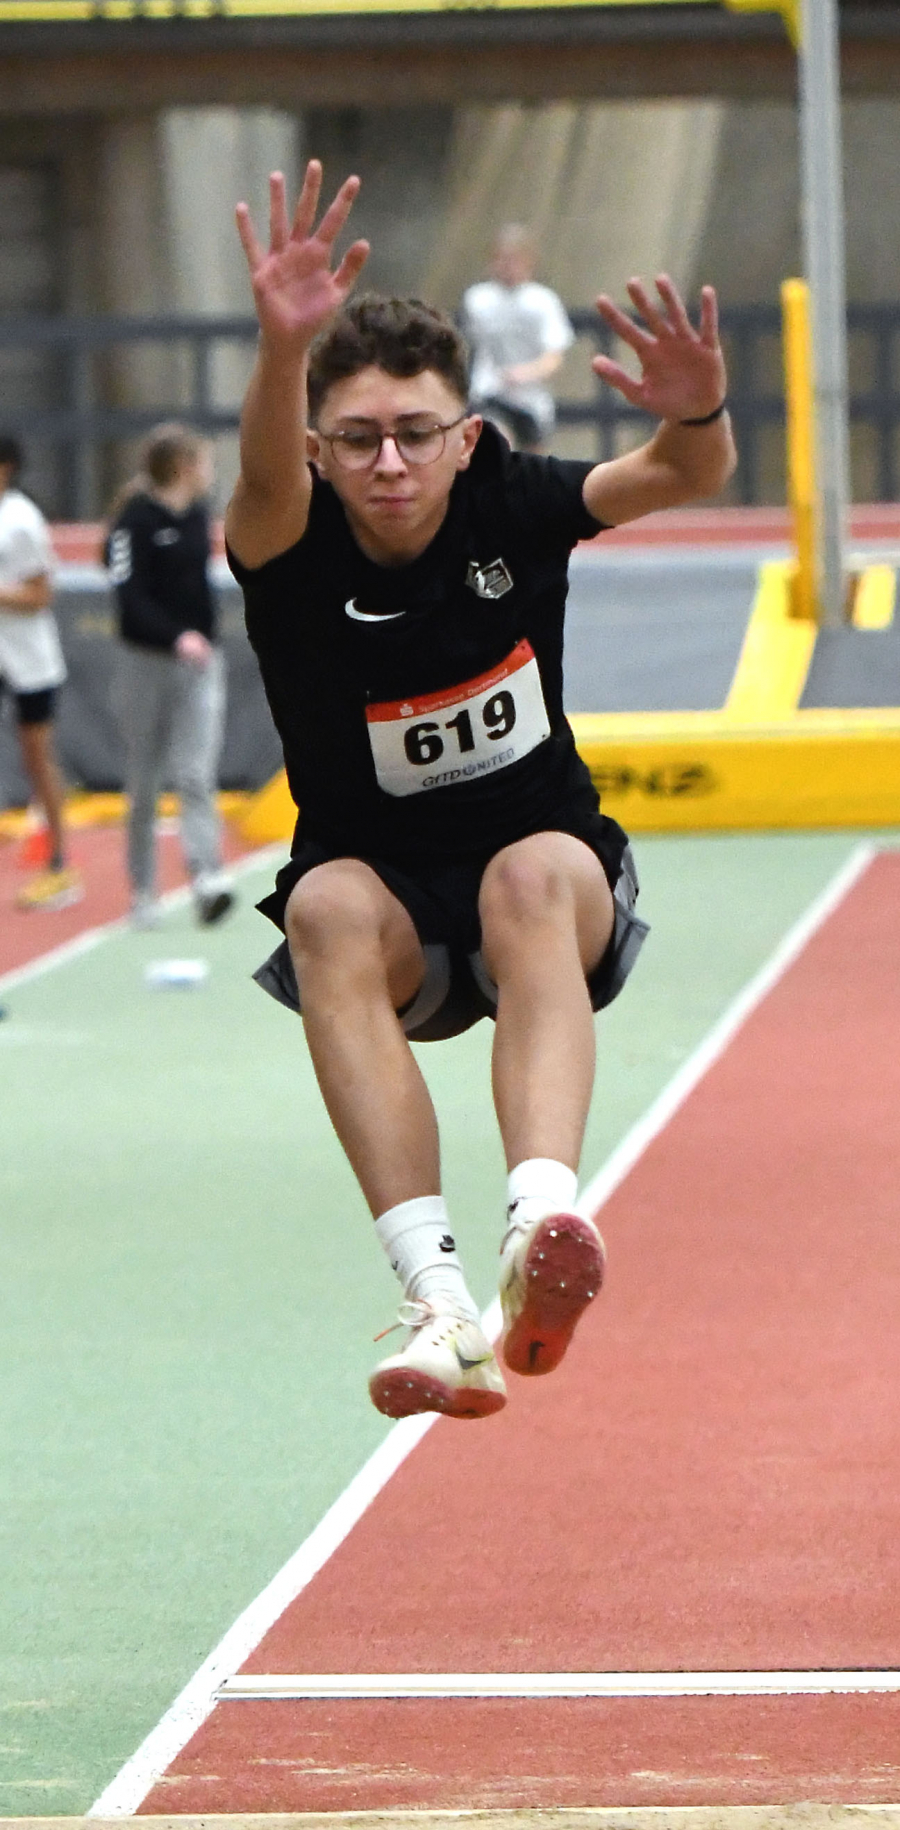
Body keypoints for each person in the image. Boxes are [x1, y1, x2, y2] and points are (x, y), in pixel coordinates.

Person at [226, 163, 735, 1422]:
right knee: (323, 908)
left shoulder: (516, 499)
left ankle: (541, 1220)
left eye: (415, 433)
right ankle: (439, 1299)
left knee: (530, 869)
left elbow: (678, 475)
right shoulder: (289, 542)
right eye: (357, 437)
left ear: (467, 435)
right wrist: (284, 345)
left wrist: (701, 408)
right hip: (396, 922)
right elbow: (264, 478)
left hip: (541, 898)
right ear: (318, 450)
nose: (389, 460)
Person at [105, 424, 235, 929]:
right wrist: (173, 635)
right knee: (144, 781)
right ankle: (142, 891)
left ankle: (207, 878)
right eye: (203, 462)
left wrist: (199, 638)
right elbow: (129, 598)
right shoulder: (134, 521)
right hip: (146, 665)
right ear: (182, 466)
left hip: (200, 664)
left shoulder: (199, 517)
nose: (209, 472)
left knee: (196, 773)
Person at [0, 435, 82, 911]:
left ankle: (59, 858)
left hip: (29, 659)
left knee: (37, 756)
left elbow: (39, 595)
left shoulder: (21, 519)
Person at [461, 224, 574, 452]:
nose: (507, 266)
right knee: (499, 444)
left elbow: (554, 356)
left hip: (530, 401)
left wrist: (525, 373)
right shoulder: (477, 300)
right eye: (501, 259)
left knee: (532, 464)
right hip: (490, 392)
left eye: (513, 259)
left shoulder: (543, 301)